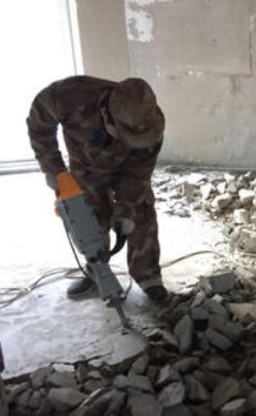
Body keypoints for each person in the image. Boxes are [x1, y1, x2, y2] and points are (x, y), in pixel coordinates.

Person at [27, 76, 169, 301]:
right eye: (122, 134)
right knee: (90, 218)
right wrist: (55, 170)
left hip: (127, 168)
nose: (127, 141)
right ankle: (97, 272)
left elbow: (138, 175)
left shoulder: (149, 126)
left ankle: (148, 276)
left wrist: (126, 209)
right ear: (105, 114)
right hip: (86, 167)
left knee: (141, 210)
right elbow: (38, 124)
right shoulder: (69, 96)